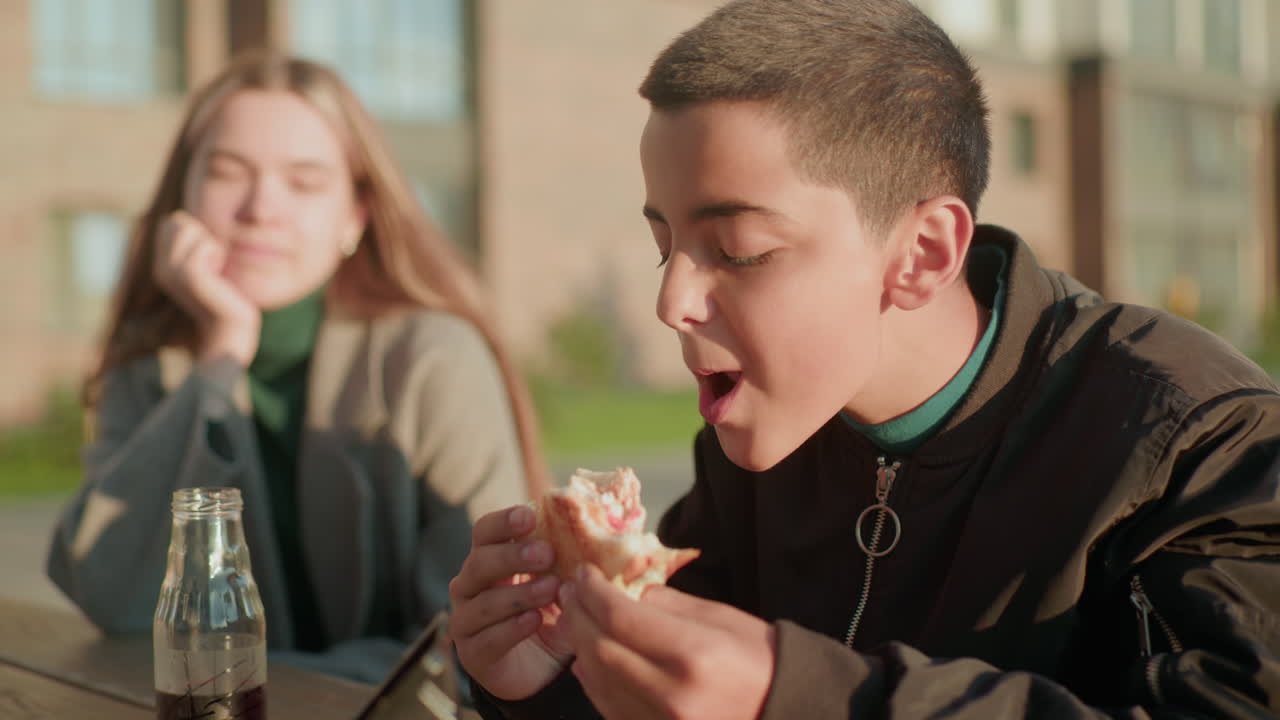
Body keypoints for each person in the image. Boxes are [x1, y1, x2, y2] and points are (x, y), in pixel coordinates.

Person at [448, 1, 1280, 717]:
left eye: (737, 249)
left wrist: (805, 699)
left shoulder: (1202, 449)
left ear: (921, 252)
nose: (671, 303)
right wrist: (550, 686)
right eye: (662, 244)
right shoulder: (758, 437)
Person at [47, 51, 547, 684]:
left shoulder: (432, 359)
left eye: (305, 181)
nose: (261, 207)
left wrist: (260, 680)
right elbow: (108, 597)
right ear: (185, 196)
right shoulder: (153, 370)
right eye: (228, 173)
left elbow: (488, 637)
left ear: (355, 215)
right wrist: (222, 354)